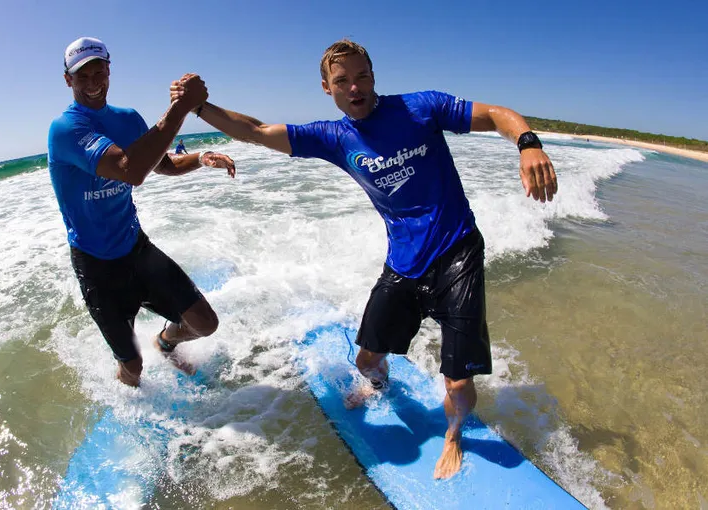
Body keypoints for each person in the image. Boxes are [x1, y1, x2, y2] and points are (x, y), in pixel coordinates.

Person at [172, 39, 557, 479]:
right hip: (404, 263)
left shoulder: (420, 109)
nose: (354, 88)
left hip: (457, 251)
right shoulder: (335, 138)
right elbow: (257, 131)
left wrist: (527, 143)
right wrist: (200, 108)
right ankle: (379, 386)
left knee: (458, 380)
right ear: (327, 89)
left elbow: (495, 115)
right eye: (342, 81)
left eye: (362, 77)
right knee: (366, 360)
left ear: (374, 77)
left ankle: (453, 435)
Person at [47, 37, 236, 387]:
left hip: (136, 248)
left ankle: (165, 342)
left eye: (98, 72)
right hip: (96, 264)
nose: (92, 83)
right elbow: (130, 170)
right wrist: (181, 106)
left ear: (108, 71)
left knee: (204, 323)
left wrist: (200, 158)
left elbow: (163, 165)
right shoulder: (66, 129)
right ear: (67, 80)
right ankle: (135, 413)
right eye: (82, 76)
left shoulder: (128, 118)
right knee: (132, 367)